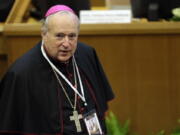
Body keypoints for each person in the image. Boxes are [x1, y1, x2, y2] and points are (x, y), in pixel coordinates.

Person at [0, 5, 114, 135]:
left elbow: (101, 108)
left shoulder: (87, 54)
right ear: (44, 34)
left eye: (72, 36)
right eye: (59, 36)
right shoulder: (21, 73)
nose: (66, 43)